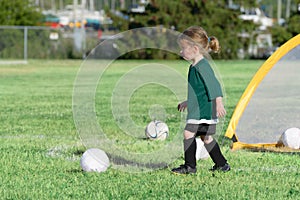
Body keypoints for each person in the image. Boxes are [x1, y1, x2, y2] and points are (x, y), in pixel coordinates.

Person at [171, 26, 230, 174]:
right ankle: (222, 164)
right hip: (201, 108)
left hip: (203, 111)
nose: (180, 51)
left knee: (188, 134)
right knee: (206, 138)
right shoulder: (195, 66)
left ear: (195, 49)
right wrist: (187, 102)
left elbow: (214, 85)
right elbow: (199, 90)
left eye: (183, 48)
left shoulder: (202, 67)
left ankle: (190, 166)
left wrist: (219, 103)